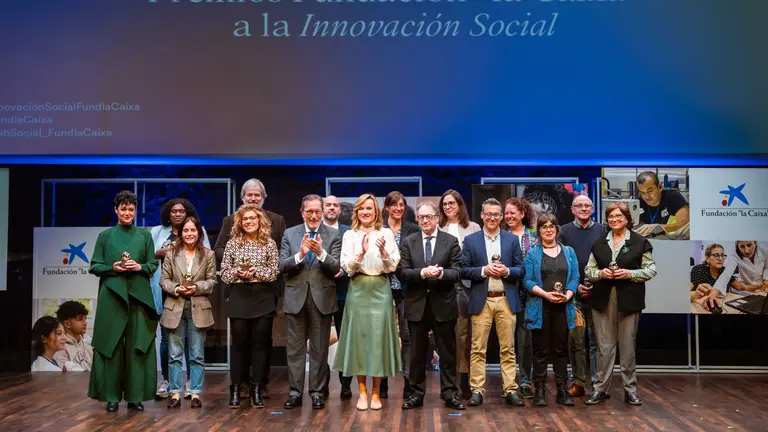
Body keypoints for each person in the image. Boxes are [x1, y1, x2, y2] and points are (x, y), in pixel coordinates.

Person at [88, 190, 159, 412]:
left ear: (135, 211)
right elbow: (94, 265)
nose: (127, 213)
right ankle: (111, 397)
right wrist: (112, 268)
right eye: (123, 209)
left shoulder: (145, 236)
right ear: (116, 210)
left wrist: (139, 267)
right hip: (112, 296)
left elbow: (152, 264)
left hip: (138, 296)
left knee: (136, 347)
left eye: (131, 209)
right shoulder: (105, 236)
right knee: (112, 345)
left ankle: (135, 397)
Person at [214, 178, 286, 399]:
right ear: (242, 198)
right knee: (240, 342)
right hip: (238, 294)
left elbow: (279, 260)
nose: (253, 199)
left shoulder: (277, 222)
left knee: (262, 341)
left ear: (263, 198)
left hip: (265, 293)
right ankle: (239, 384)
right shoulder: (231, 226)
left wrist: (257, 273)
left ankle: (259, 384)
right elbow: (220, 254)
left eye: (257, 196)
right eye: (249, 196)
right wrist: (238, 270)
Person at [333, 194, 402, 411]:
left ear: (376, 211)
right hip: (358, 289)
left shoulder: (387, 233)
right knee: (360, 341)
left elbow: (392, 267)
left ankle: (375, 392)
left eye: (369, 208)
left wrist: (382, 252)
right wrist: (361, 252)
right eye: (361, 208)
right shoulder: (350, 235)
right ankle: (361, 390)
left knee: (378, 340)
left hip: (381, 288)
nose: (365, 212)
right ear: (357, 212)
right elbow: (347, 268)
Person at [584, 202, 657, 406]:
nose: (615, 219)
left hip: (629, 300)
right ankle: (600, 389)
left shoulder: (640, 242)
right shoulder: (598, 243)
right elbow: (588, 271)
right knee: (604, 348)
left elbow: (651, 270)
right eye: (611, 217)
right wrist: (600, 273)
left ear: (627, 218)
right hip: (602, 300)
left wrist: (630, 274)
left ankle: (630, 390)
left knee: (627, 348)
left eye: (619, 216)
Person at [397, 202, 465, 411]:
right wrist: (422, 273)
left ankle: (450, 394)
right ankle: (416, 394)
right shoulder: (408, 242)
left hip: (443, 304)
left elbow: (458, 271)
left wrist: (441, 273)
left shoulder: (450, 241)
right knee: (417, 354)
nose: (425, 221)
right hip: (416, 305)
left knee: (447, 352)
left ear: (437, 218)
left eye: (429, 217)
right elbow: (402, 272)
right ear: (417, 219)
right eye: (421, 217)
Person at [461, 198, 525, 408]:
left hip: (506, 300)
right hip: (482, 300)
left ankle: (510, 390)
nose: (492, 218)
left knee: (508, 349)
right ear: (481, 215)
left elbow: (520, 269)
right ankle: (477, 390)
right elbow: (463, 269)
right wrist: (483, 271)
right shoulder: (471, 241)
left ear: (501, 217)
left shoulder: (511, 240)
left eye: (496, 215)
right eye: (488, 214)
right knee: (478, 348)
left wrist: (506, 270)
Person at [279, 194, 342, 410]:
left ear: (322, 212)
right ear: (302, 212)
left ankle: (317, 393)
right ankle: (295, 393)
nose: (314, 215)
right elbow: (281, 265)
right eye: (309, 212)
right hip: (295, 298)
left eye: (317, 211)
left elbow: (336, 267)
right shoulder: (290, 233)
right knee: (294, 350)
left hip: (322, 299)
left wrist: (321, 253)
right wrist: (300, 254)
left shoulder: (333, 234)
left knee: (319, 349)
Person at [151, 198, 210, 399]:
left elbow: (208, 268)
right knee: (167, 339)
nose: (177, 213)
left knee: (193, 344)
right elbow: (149, 257)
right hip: (167, 292)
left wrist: (195, 287)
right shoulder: (157, 232)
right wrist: (161, 253)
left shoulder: (200, 240)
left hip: (195, 297)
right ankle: (168, 381)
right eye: (173, 210)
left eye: (181, 211)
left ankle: (191, 384)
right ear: (168, 213)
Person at [159, 216, 217, 409]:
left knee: (197, 354)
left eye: (193, 230)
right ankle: (174, 393)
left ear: (199, 232)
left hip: (198, 307)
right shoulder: (171, 254)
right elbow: (164, 280)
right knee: (175, 354)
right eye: (186, 230)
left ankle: (195, 393)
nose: (190, 234)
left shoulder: (208, 254)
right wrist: (177, 288)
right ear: (180, 233)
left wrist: (196, 287)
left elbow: (212, 282)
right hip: (175, 306)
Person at [523, 214, 578, 407]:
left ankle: (562, 390)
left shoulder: (569, 252)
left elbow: (574, 278)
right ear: (538, 231)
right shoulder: (532, 254)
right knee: (540, 351)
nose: (548, 229)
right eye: (544, 226)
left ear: (556, 229)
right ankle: (539, 389)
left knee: (561, 350)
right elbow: (527, 281)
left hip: (563, 308)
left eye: (552, 226)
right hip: (540, 307)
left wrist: (568, 296)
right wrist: (546, 295)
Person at [558, 195, 604, 397]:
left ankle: (598, 384)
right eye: (580, 205)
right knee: (576, 340)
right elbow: (559, 262)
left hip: (598, 293)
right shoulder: (564, 231)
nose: (584, 208)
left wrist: (597, 285)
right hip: (573, 295)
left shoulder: (603, 230)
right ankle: (578, 383)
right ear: (572, 209)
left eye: (587, 205)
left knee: (598, 342)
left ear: (592, 209)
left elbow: (608, 260)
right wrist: (575, 286)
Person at [437, 189, 480, 398]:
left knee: (465, 336)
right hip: (444, 288)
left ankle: (465, 381)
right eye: (444, 204)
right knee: (446, 336)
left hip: (467, 287)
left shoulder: (473, 228)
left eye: (452, 203)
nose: (448, 207)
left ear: (460, 205)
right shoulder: (437, 228)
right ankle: (448, 383)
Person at [381, 191, 420, 399]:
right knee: (383, 337)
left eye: (401, 204)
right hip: (382, 288)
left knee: (407, 337)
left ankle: (408, 383)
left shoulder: (413, 229)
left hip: (406, 288)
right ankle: (383, 384)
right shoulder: (379, 229)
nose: (398, 208)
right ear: (386, 207)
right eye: (394, 205)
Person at [503, 197, 538, 399]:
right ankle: (508, 381)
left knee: (525, 340)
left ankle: (525, 380)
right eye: (506, 213)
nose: (508, 216)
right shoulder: (500, 237)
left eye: (512, 212)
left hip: (530, 295)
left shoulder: (534, 238)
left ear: (522, 214)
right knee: (506, 340)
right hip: (506, 292)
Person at [323, 195, 354, 399]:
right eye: (329, 205)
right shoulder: (315, 231)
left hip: (343, 293)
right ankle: (321, 384)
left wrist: (344, 269)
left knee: (345, 340)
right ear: (323, 208)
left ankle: (345, 384)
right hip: (321, 292)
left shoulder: (348, 233)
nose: (332, 208)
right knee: (320, 340)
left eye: (336, 205)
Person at [689, 243, 747, 311]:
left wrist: (758, 287)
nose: (720, 258)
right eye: (716, 255)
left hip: (725, 305)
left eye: (722, 256)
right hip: (700, 307)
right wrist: (696, 294)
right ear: (707, 259)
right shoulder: (699, 270)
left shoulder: (724, 271)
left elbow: (740, 287)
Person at [634, 171, 689, 236]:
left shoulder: (673, 197)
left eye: (650, 191)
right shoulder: (638, 203)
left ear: (659, 186)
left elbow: (685, 223)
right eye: (642, 193)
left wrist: (660, 227)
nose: (646, 196)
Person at [53, 300, 93, 371]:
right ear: (67, 324)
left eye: (85, 318)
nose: (85, 323)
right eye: (80, 319)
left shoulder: (87, 347)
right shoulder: (59, 350)